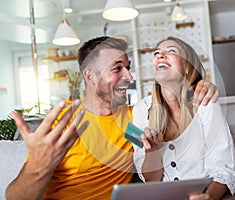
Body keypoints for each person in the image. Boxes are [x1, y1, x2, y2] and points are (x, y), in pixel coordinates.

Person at [6, 36, 220, 200]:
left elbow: (153, 158)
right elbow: (14, 197)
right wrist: (36, 166)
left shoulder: (134, 118)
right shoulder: (64, 121)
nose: (129, 76)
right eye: (117, 69)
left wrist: (200, 84)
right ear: (90, 76)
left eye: (128, 67)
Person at [132, 37, 235, 200]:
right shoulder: (139, 111)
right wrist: (152, 151)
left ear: (187, 68)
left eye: (171, 51)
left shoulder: (206, 102)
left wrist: (208, 197)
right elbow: (150, 180)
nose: (160, 55)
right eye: (156, 53)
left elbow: (223, 169)